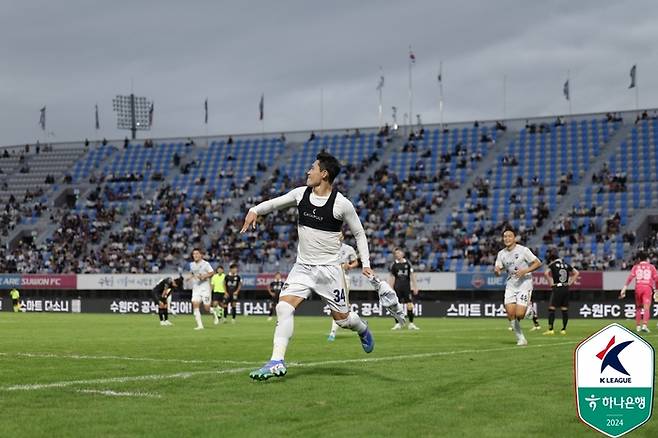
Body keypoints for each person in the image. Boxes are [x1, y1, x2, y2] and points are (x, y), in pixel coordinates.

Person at [241, 151, 374, 381]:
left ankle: (362, 328)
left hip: (330, 271)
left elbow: (359, 233)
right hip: (302, 267)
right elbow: (274, 204)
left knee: (342, 320)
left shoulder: (342, 204)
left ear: (323, 174)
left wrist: (366, 263)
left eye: (312, 168)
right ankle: (276, 361)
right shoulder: (300, 194)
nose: (308, 171)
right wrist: (254, 210)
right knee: (283, 308)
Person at [494, 227, 542, 346]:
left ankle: (529, 310)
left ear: (514, 238)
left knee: (520, 314)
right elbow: (499, 268)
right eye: (505, 236)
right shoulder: (501, 254)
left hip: (524, 285)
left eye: (509, 236)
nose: (507, 238)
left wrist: (525, 271)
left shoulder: (523, 250)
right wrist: (497, 271)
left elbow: (538, 263)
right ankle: (520, 338)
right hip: (511, 285)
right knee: (510, 314)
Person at [327, 233, 360, 341]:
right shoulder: (328, 247)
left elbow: (355, 262)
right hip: (331, 278)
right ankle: (358, 323)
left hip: (344, 277)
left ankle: (332, 332)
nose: (338, 236)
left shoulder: (348, 249)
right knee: (341, 305)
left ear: (342, 237)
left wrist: (349, 266)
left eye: (339, 235)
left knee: (338, 305)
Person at [619, 250, 658, 333]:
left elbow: (630, 278)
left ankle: (638, 327)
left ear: (639, 259)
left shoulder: (636, 267)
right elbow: (656, 279)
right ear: (647, 258)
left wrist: (624, 289)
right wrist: (656, 290)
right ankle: (644, 325)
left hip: (638, 288)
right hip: (647, 287)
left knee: (638, 308)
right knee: (646, 308)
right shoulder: (651, 267)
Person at [543, 249, 580, 335]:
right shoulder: (566, 265)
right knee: (564, 309)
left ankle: (551, 329)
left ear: (552, 259)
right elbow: (576, 273)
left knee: (552, 308)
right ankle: (563, 329)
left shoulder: (552, 264)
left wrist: (551, 283)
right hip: (566, 288)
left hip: (557, 287)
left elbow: (545, 273)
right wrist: (570, 283)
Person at [389, 248, 420, 330]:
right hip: (397, 288)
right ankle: (398, 323)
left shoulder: (408, 263)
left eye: (398, 253)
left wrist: (415, 287)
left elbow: (412, 275)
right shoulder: (394, 265)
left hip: (406, 287)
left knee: (409, 305)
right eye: (396, 254)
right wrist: (390, 288)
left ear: (402, 254)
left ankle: (411, 323)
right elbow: (392, 277)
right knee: (396, 306)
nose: (397, 255)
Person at [187, 248, 215, 330]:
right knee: (195, 304)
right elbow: (192, 273)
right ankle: (200, 326)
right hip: (196, 288)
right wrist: (189, 277)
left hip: (205, 288)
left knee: (207, 308)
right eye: (193, 254)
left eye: (196, 253)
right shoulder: (191, 264)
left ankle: (214, 312)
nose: (195, 255)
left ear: (201, 255)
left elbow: (212, 272)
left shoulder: (205, 264)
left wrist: (204, 276)